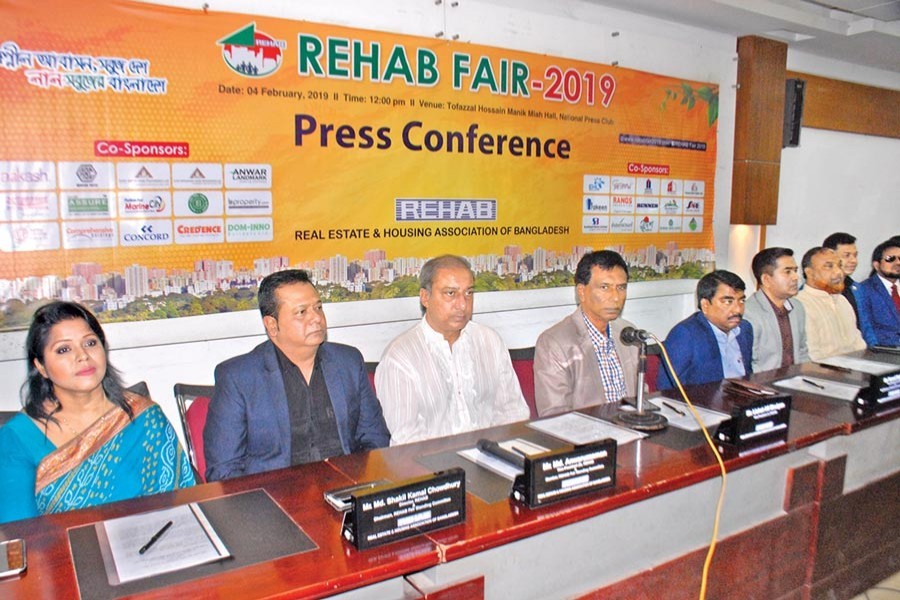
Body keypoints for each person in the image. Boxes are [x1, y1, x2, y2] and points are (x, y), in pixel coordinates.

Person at [0, 302, 194, 524]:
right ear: (41, 366)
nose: (82, 355)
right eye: (64, 349)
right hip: (65, 557)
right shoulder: (16, 438)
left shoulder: (145, 418)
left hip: (151, 550)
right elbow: (21, 538)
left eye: (90, 343)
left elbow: (181, 507)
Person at [204, 269, 390, 481]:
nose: (316, 319)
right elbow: (224, 471)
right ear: (272, 325)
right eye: (302, 312)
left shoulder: (347, 362)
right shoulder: (238, 378)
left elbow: (376, 440)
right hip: (277, 503)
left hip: (347, 490)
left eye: (318, 308)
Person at [376, 255, 529, 444]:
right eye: (450, 293)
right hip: (434, 467)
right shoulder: (400, 357)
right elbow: (407, 439)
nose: (463, 304)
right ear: (425, 297)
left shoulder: (489, 341)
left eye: (469, 293)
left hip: (493, 459)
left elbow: (512, 412)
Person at [533, 250, 639, 416]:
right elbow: (555, 416)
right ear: (581, 292)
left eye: (621, 288)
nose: (616, 297)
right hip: (589, 437)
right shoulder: (554, 343)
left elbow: (641, 397)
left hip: (632, 431)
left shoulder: (628, 334)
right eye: (605, 287)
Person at [657, 270, 753, 390]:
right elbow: (667, 389)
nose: (738, 310)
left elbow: (747, 375)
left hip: (742, 402)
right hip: (703, 406)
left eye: (741, 301)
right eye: (728, 302)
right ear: (705, 305)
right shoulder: (686, 334)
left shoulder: (745, 329)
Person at [743, 247, 809, 371]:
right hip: (764, 384)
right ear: (766, 280)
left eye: (795, 270)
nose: (796, 277)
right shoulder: (748, 313)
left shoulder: (797, 307)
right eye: (788, 272)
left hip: (795, 382)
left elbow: (802, 351)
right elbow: (750, 363)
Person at [795, 247, 866, 360]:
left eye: (839, 266)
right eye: (829, 266)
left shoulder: (843, 301)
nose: (838, 272)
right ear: (809, 273)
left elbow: (859, 344)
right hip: (823, 373)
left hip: (854, 369)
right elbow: (812, 355)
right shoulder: (800, 304)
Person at [856, 239, 900, 347]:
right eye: (890, 259)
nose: (898, 263)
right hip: (885, 352)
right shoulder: (864, 290)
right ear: (876, 265)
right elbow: (867, 329)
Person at [822, 232, 861, 324]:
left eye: (855, 255)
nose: (853, 261)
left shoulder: (857, 289)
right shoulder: (816, 289)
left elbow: (866, 326)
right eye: (846, 255)